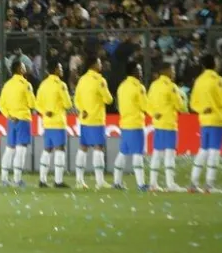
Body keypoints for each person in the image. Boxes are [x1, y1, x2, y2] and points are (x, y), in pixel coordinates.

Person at [189, 54, 222, 193]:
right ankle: (209, 185)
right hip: (217, 119)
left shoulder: (199, 81)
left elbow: (193, 103)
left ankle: (193, 183)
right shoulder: (218, 80)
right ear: (214, 64)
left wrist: (202, 109)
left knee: (203, 150)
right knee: (214, 151)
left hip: (204, 120)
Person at [74, 55, 113, 189]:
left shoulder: (82, 79)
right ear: (94, 65)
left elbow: (76, 99)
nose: (101, 65)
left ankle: (79, 181)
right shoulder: (100, 80)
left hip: (84, 119)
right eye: (99, 62)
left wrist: (82, 110)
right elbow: (108, 99)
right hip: (96, 119)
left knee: (83, 147)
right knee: (98, 147)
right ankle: (99, 181)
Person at [148, 63, 187, 193]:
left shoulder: (153, 85)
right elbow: (180, 106)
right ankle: (170, 184)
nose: (174, 73)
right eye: (172, 70)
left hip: (158, 124)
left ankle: (153, 183)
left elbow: (148, 104)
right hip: (169, 124)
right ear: (165, 71)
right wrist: (182, 98)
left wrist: (154, 114)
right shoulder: (171, 86)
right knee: (170, 154)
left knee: (157, 153)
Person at [0, 61, 36, 187]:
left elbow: (1, 105)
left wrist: (9, 115)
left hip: (11, 120)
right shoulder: (26, 84)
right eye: (24, 66)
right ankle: (17, 179)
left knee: (10, 148)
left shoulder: (7, 85)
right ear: (20, 69)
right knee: (21, 149)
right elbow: (32, 104)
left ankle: (4, 178)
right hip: (23, 119)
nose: (26, 67)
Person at [35, 62, 72, 188]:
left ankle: (42, 180)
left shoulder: (43, 85)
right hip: (58, 122)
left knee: (47, 150)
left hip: (46, 122)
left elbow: (37, 104)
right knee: (60, 150)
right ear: (55, 69)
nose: (62, 70)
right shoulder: (61, 85)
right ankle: (58, 181)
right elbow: (68, 104)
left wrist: (45, 112)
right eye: (60, 68)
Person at [114, 62, 149, 191]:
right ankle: (141, 184)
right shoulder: (139, 87)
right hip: (135, 124)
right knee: (137, 153)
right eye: (139, 70)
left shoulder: (122, 86)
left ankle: (117, 182)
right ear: (133, 71)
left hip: (124, 124)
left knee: (123, 152)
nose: (141, 72)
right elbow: (145, 106)